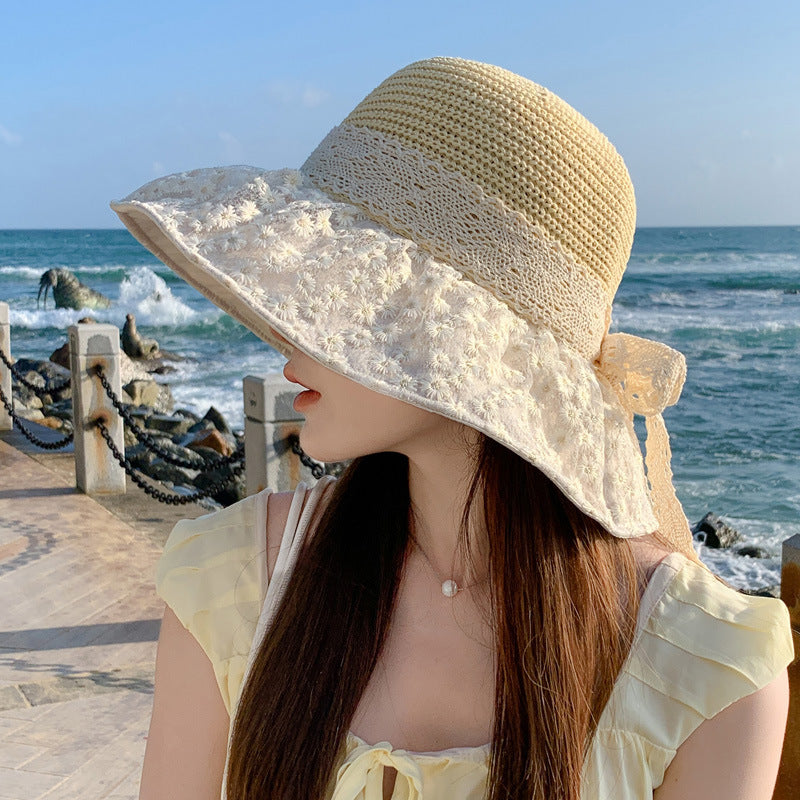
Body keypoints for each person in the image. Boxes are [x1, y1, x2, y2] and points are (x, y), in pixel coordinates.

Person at [111, 57, 794, 800]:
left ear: (452, 337)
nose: (291, 349)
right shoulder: (231, 581)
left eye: (339, 293)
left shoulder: (705, 669)